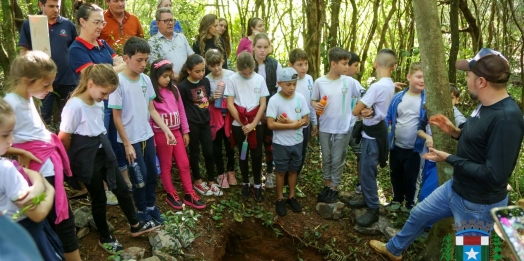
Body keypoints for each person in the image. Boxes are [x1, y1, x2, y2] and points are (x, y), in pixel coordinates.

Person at [370, 48, 524, 260]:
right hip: (456, 188)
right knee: (418, 214)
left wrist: (448, 158)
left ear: (481, 82)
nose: (466, 79)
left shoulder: (507, 119)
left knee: (470, 256)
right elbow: (480, 143)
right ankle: (393, 250)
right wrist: (455, 131)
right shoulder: (485, 105)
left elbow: (495, 174)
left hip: (478, 204)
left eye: (468, 75)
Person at [58, 64, 158, 254]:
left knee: (121, 188)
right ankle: (105, 235)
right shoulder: (74, 106)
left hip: (104, 150)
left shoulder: (96, 100)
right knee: (99, 197)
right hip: (87, 156)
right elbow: (64, 138)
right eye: (104, 93)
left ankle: (136, 224)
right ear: (91, 84)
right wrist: (68, 164)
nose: (104, 98)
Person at [4, 51, 81, 261]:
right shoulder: (10, 102)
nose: (50, 89)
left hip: (47, 167)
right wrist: (19, 151)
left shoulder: (27, 97)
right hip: (39, 171)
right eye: (46, 85)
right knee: (60, 220)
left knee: (60, 219)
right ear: (28, 81)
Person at [108, 37, 175, 225]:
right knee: (140, 177)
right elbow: (116, 117)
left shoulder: (146, 79)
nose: (143, 64)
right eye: (139, 60)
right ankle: (140, 210)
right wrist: (127, 144)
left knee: (152, 174)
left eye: (146, 60)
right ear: (126, 58)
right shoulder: (118, 83)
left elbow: (151, 109)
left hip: (148, 135)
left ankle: (151, 206)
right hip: (130, 140)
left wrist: (166, 130)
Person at [69, 1, 129, 205]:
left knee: (115, 141)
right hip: (92, 105)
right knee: (100, 147)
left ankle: (121, 180)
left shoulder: (102, 44)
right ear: (82, 21)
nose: (100, 27)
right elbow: (96, 76)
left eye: (102, 23)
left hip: (111, 101)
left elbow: (118, 63)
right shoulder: (76, 49)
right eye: (96, 22)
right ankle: (104, 187)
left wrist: (113, 67)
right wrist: (114, 67)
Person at [0, 98, 62, 261]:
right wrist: (49, 189)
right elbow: (38, 213)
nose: (11, 140)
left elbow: (27, 172)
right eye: (5, 135)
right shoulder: (5, 169)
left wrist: (37, 184)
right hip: (26, 235)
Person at [149, 59, 206, 209]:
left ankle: (189, 193)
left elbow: (181, 111)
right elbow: (149, 116)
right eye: (165, 76)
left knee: (184, 163)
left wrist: (185, 131)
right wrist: (153, 141)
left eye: (169, 76)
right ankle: (170, 193)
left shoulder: (174, 89)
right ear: (156, 76)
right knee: (166, 164)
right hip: (161, 134)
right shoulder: (151, 93)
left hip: (176, 132)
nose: (168, 79)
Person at [350, 48, 397, 228]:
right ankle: (366, 198)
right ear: (393, 67)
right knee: (366, 166)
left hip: (373, 134)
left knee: (368, 171)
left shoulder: (377, 87)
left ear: (375, 64)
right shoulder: (390, 84)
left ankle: (373, 208)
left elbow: (355, 111)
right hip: (378, 130)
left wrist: (362, 110)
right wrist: (368, 110)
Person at [311, 47, 364, 204]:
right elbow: (313, 100)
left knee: (338, 158)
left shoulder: (350, 82)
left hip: (343, 127)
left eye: (348, 64)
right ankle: (327, 184)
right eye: (344, 63)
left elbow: (366, 94)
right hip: (325, 127)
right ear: (333, 64)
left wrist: (385, 85)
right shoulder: (320, 82)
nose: (347, 67)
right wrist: (315, 105)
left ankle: (334, 187)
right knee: (326, 158)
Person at [18, 0, 78, 125]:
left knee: (71, 117)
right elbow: (24, 51)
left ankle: (66, 143)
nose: (55, 10)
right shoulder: (31, 24)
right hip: (42, 80)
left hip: (67, 79)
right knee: (42, 118)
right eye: (51, 6)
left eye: (57, 6)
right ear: (41, 5)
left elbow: (77, 50)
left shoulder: (68, 25)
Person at [224, 51, 269, 202]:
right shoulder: (232, 79)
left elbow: (262, 104)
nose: (247, 75)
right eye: (244, 73)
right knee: (243, 154)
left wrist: (253, 124)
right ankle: (245, 182)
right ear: (237, 69)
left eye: (249, 72)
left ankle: (257, 184)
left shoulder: (259, 79)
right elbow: (230, 104)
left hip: (256, 123)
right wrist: (244, 123)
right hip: (239, 125)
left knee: (256, 155)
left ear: (253, 66)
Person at [177, 54, 222, 197]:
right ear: (189, 70)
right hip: (192, 124)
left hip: (205, 122)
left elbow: (204, 100)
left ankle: (211, 180)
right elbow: (181, 107)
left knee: (209, 152)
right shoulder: (183, 86)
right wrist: (184, 129)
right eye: (197, 71)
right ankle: (198, 181)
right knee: (195, 153)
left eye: (203, 70)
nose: (201, 73)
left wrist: (212, 98)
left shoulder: (205, 81)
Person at [383, 62, 426, 213]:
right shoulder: (398, 98)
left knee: (412, 177)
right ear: (409, 77)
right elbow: (388, 117)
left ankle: (410, 204)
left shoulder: (426, 100)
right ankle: (397, 199)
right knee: (396, 173)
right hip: (396, 146)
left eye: (424, 78)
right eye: (419, 76)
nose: (422, 80)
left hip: (415, 149)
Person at [267, 67, 309, 216]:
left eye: (294, 84)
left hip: (297, 142)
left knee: (293, 170)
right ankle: (280, 198)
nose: (291, 88)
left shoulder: (300, 98)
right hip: (281, 144)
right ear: (279, 83)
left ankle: (291, 196)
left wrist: (293, 122)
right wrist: (291, 125)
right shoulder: (274, 100)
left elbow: (305, 119)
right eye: (288, 84)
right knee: (280, 171)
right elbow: (270, 124)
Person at [279, 48, 317, 197]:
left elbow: (311, 103)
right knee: (287, 155)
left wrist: (314, 122)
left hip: (304, 124)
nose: (304, 68)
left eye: (305, 64)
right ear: (290, 65)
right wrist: (288, 122)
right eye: (300, 64)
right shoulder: (285, 81)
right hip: (289, 125)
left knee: (300, 155)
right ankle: (283, 185)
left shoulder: (309, 79)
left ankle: (293, 184)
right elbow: (280, 104)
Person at [251, 33, 283, 188]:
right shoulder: (248, 64)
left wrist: (269, 111)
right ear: (253, 47)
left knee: (269, 143)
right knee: (254, 143)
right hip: (252, 110)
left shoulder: (275, 64)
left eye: (265, 47)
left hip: (271, 110)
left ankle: (270, 173)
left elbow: (278, 89)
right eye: (259, 47)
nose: (262, 51)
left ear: (270, 48)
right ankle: (255, 174)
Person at [205, 49, 237, 188]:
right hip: (215, 118)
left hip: (230, 117)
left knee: (230, 145)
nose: (216, 68)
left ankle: (231, 171)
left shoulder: (231, 75)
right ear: (207, 65)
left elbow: (238, 93)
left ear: (222, 61)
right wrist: (212, 98)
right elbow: (202, 101)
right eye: (212, 66)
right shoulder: (206, 79)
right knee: (216, 147)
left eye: (218, 64)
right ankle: (220, 173)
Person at [148, 8, 194, 79]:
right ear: (158, 23)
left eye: (171, 20)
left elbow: (192, 57)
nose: (170, 23)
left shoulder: (181, 37)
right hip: (169, 83)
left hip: (188, 81)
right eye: (166, 21)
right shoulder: (153, 42)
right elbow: (157, 67)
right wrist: (179, 79)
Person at [346, 51, 365, 194]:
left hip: (353, 127)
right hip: (337, 128)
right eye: (355, 65)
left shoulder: (356, 83)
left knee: (362, 154)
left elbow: (365, 98)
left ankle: (361, 184)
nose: (357, 68)